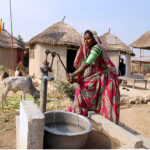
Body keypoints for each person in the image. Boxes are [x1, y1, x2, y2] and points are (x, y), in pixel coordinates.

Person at [66, 30, 120, 124]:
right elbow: (84, 70)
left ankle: (110, 128)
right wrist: (75, 79)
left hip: (108, 78)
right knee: (81, 83)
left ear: (94, 39)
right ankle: (80, 110)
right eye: (85, 39)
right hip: (99, 76)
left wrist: (73, 74)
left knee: (107, 106)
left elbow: (86, 64)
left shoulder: (97, 48)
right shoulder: (87, 51)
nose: (86, 41)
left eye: (89, 38)